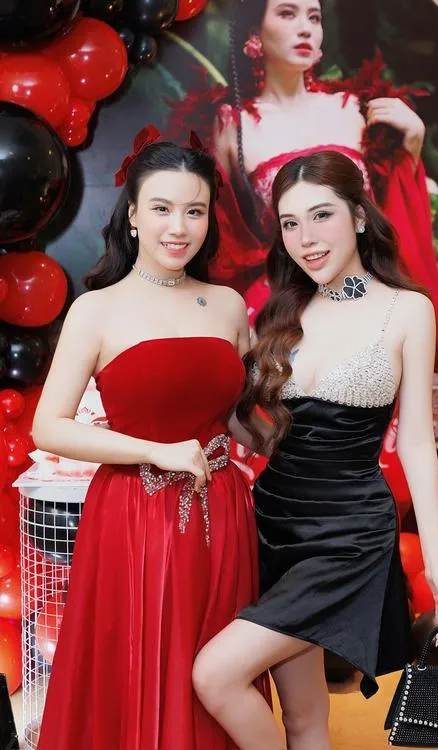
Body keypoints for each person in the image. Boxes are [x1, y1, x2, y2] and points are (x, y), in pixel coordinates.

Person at [189, 151, 438, 750]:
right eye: (290, 223)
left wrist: (437, 566)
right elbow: (261, 433)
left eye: (321, 215)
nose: (305, 238)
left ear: (359, 216)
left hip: (348, 534)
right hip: (271, 524)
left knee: (214, 675)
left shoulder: (407, 309)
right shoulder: (282, 309)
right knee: (304, 716)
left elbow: (418, 444)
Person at [33, 130, 269, 750]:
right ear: (133, 214)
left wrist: (302, 429)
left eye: (195, 210)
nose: (179, 227)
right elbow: (49, 426)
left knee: (216, 669)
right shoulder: (96, 310)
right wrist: (154, 451)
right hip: (135, 514)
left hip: (223, 510)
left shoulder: (227, 305)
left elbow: (236, 418)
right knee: (142, 662)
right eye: (162, 208)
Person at [167, 0, 438, 376]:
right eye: (287, 13)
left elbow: (388, 215)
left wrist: (412, 143)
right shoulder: (231, 125)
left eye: (314, 17)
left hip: (365, 290)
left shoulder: (352, 109)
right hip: (284, 298)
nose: (305, 28)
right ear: (254, 35)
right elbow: (224, 234)